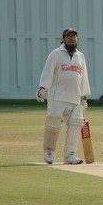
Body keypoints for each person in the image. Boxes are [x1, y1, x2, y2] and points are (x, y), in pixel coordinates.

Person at [36, 28, 91, 165]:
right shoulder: (56, 54)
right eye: (69, 36)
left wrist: (84, 97)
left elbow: (83, 77)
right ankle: (48, 151)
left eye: (74, 36)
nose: (72, 39)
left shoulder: (80, 56)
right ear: (64, 38)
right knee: (53, 122)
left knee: (76, 124)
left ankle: (70, 155)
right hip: (58, 96)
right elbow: (47, 72)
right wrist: (43, 88)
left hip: (75, 97)